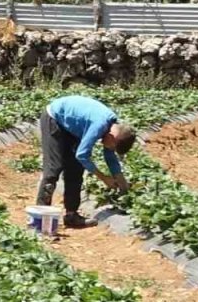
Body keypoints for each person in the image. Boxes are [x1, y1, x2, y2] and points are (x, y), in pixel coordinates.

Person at [37, 95, 136, 229]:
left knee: (76, 169)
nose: (110, 149)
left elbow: (110, 158)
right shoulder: (99, 125)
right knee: (54, 168)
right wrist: (104, 178)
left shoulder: (112, 130)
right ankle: (41, 218)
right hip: (55, 118)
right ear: (113, 138)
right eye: (112, 146)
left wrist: (123, 185)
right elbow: (82, 155)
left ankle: (72, 215)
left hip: (72, 127)